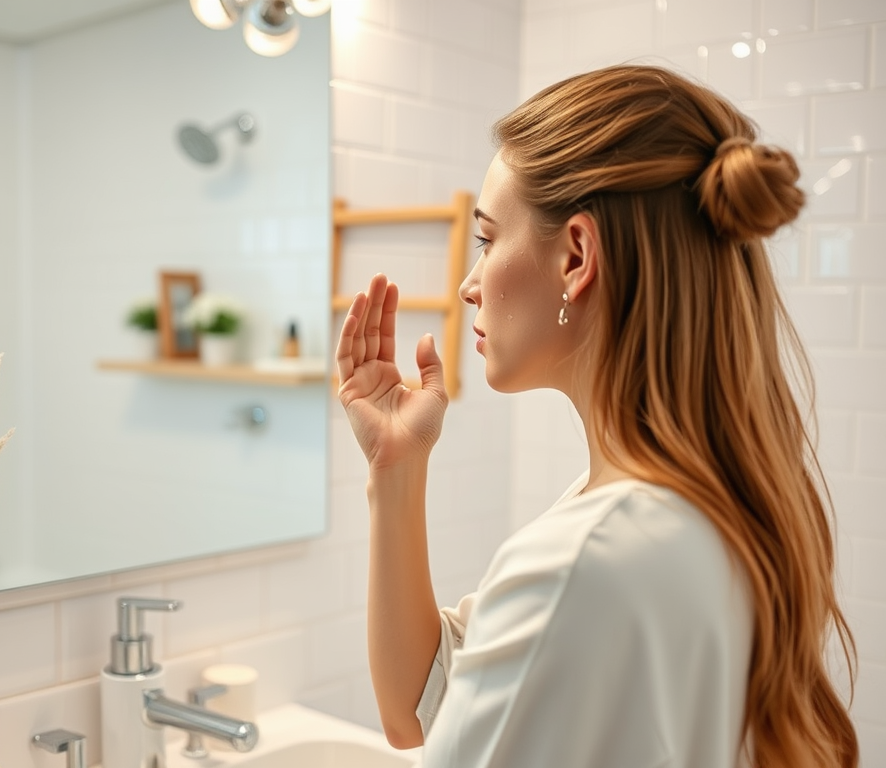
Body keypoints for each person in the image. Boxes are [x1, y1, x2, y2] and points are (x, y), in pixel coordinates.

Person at [335, 64, 858, 768]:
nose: (468, 284)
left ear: (576, 256)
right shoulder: (706, 506)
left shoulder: (582, 562)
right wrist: (396, 470)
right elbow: (421, 712)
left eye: (488, 240)